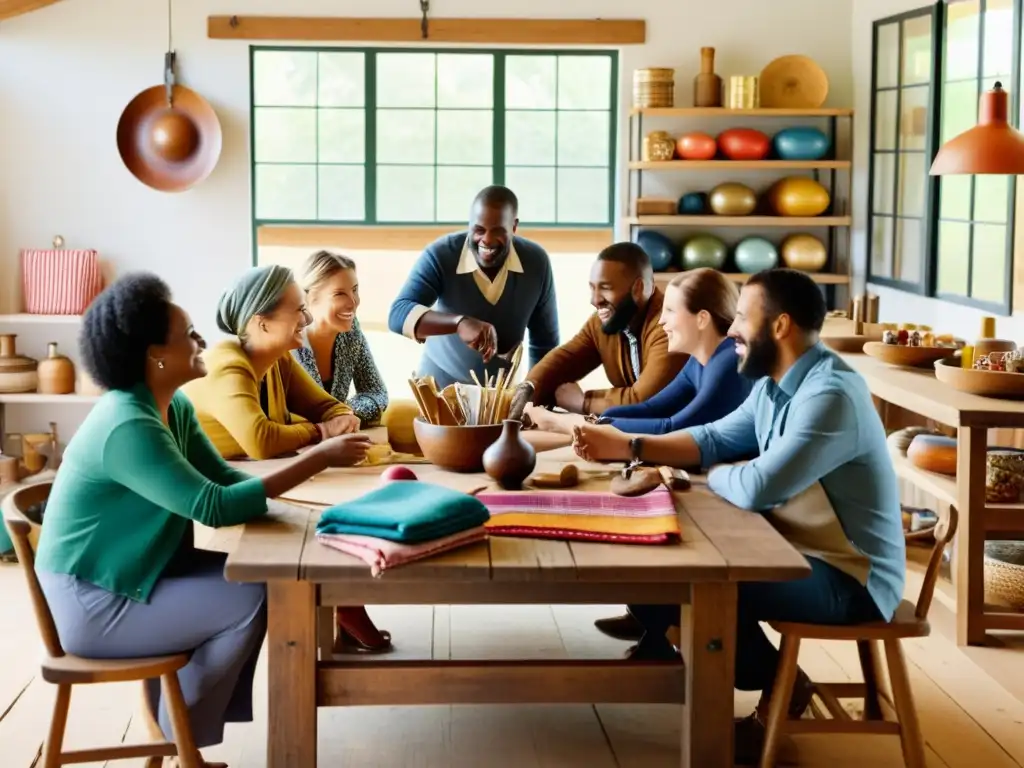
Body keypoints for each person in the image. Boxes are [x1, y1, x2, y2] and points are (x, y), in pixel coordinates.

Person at [32, 273, 374, 764]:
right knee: (253, 596)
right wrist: (320, 457)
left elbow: (224, 482)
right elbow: (212, 506)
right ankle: (179, 739)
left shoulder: (175, 407)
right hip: (93, 601)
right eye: (188, 334)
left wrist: (308, 510)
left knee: (264, 581)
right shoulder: (128, 424)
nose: (201, 342)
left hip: (138, 575)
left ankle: (177, 735)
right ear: (156, 355)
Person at [570, 268, 906, 762]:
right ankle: (753, 682)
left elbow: (757, 486)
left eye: (742, 319)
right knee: (668, 564)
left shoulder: (830, 396)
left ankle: (775, 691)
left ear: (780, 326)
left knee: (701, 584)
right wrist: (628, 444)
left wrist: (714, 472)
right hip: (804, 549)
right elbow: (713, 437)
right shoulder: (774, 384)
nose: (730, 331)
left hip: (854, 578)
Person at [182, 264, 392, 654]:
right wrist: (320, 433)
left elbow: (324, 405)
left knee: (334, 509)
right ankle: (337, 611)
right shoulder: (228, 364)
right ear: (262, 323)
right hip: (211, 491)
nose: (308, 318)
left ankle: (344, 608)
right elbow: (260, 440)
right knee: (310, 522)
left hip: (252, 472)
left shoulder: (279, 358)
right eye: (299, 309)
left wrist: (336, 417)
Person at [527, 267, 750, 438]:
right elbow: (651, 409)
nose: (662, 321)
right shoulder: (699, 361)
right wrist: (593, 421)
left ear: (702, 319)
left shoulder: (729, 363)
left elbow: (673, 428)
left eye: (670, 311)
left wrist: (569, 424)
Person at [387, 185, 560, 389]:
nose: (486, 240)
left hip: (500, 397)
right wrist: (459, 322)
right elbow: (398, 315)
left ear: (514, 227)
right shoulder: (441, 254)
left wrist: (533, 396)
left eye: (497, 231)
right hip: (440, 391)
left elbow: (545, 344)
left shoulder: (536, 262)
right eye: (478, 230)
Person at [524, 242, 685, 420]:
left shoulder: (668, 326)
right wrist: (529, 389)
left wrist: (584, 402)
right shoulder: (605, 322)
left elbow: (646, 401)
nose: (594, 300)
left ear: (638, 289)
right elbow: (566, 359)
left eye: (606, 288)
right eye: (592, 288)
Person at [293, 250, 389, 427]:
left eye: (355, 290)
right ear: (310, 298)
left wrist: (347, 412)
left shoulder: (351, 332)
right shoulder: (288, 340)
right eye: (339, 294)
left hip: (336, 443)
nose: (353, 302)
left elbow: (377, 392)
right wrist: (336, 417)